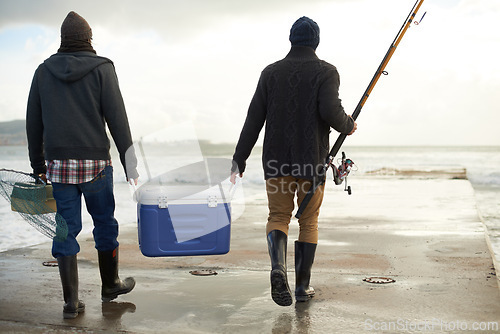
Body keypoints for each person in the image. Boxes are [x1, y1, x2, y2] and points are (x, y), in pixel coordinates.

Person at [230, 16, 357, 306]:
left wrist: (239, 158)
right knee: (309, 221)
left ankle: (278, 269)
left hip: (275, 162)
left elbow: (254, 119)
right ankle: (302, 287)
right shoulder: (327, 71)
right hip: (311, 163)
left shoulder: (270, 73)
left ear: (291, 39)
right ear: (316, 42)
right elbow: (330, 111)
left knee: (278, 217)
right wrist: (348, 125)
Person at [26, 11, 139, 319]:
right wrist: (131, 165)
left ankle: (71, 302)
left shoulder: (43, 71)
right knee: (104, 223)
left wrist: (38, 164)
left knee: (65, 230)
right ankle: (110, 284)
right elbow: (118, 118)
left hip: (59, 166)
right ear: (89, 39)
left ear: (63, 40)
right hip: (97, 165)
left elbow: (33, 122)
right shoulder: (103, 68)